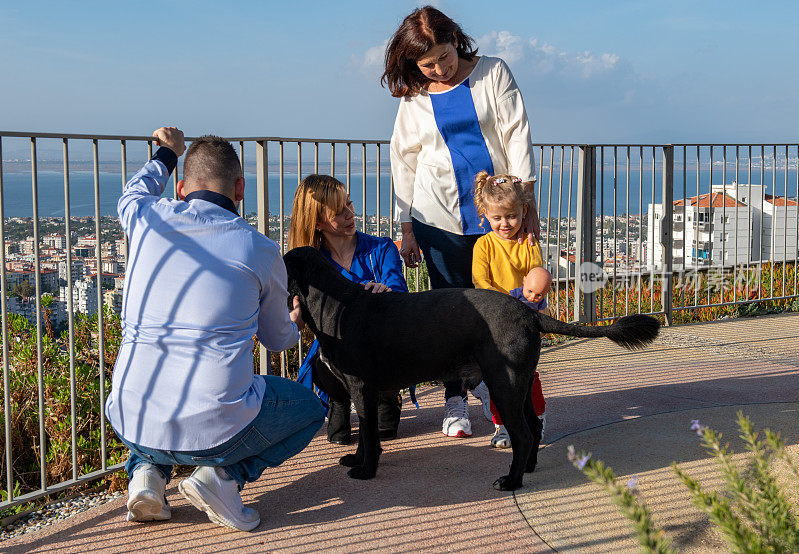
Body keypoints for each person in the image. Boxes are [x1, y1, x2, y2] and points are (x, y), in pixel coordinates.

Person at [105, 127, 324, 532]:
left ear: (182, 188)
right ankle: (221, 479)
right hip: (213, 431)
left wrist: (167, 152)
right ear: (240, 188)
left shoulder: (146, 217)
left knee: (153, 387)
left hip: (127, 418)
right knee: (309, 409)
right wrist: (293, 324)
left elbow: (133, 191)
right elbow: (278, 341)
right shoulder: (258, 248)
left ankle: (146, 476)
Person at [385, 5, 541, 437]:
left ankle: (510, 407)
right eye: (427, 63)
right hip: (437, 218)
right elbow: (404, 159)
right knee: (447, 313)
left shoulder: (493, 73)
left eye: (443, 56)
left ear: (456, 38)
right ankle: (455, 400)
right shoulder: (415, 96)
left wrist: (527, 206)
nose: (438, 68)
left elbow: (517, 134)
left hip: (499, 217)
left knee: (508, 310)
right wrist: (406, 227)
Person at [288, 174, 409, 444]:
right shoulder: (310, 262)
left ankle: (386, 399)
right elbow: (301, 309)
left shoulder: (382, 247)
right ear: (317, 222)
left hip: (380, 345)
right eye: (338, 211)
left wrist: (386, 291)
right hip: (336, 353)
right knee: (326, 357)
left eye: (349, 205)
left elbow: (400, 292)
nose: (349, 214)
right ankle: (338, 400)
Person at [471, 171, 548, 448]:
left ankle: (537, 416)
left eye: (512, 216)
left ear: (523, 211)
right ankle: (501, 425)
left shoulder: (529, 244)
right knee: (496, 376)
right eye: (498, 218)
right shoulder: (483, 245)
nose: (505, 224)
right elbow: (481, 281)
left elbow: (536, 275)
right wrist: (503, 305)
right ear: (485, 214)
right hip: (494, 318)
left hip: (524, 315)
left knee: (528, 375)